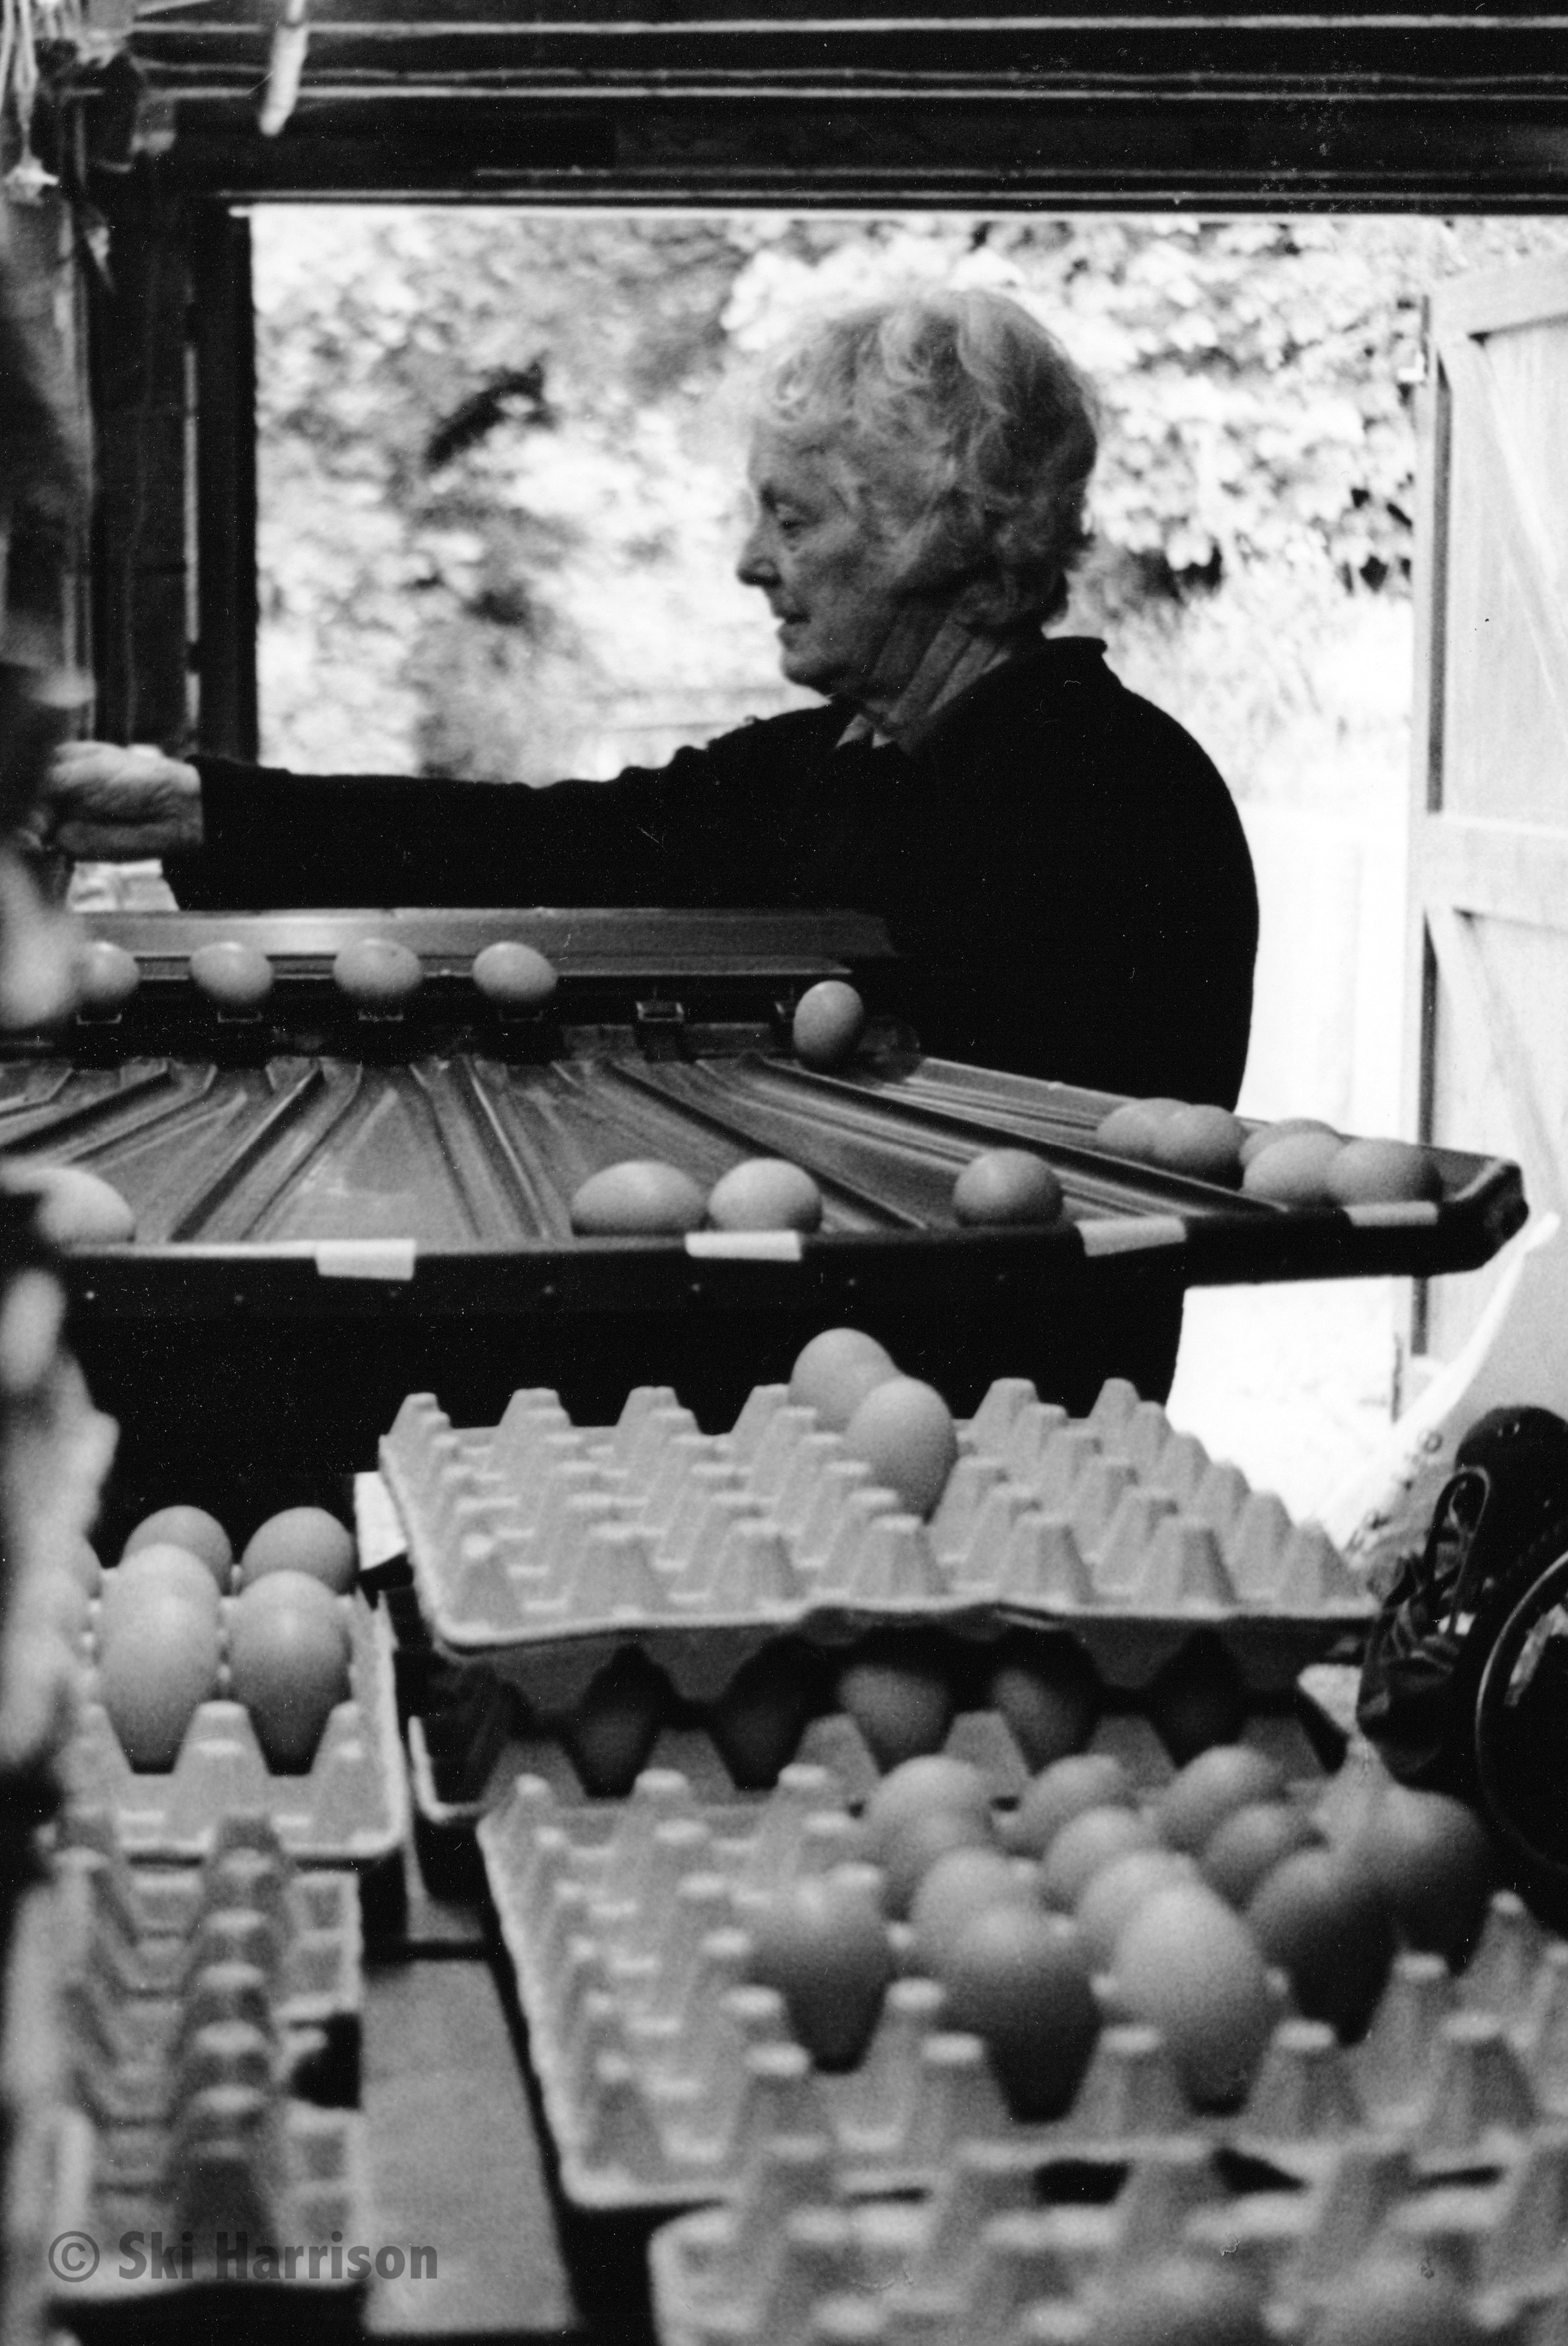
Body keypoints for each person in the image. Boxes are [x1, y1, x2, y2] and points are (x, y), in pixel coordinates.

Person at [43, 290, 1258, 1108]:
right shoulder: (830, 762)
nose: (749, 562)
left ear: (936, 534)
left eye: (791, 518)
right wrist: (194, 809)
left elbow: (1005, 1159)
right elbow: (544, 840)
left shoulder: (1112, 795)